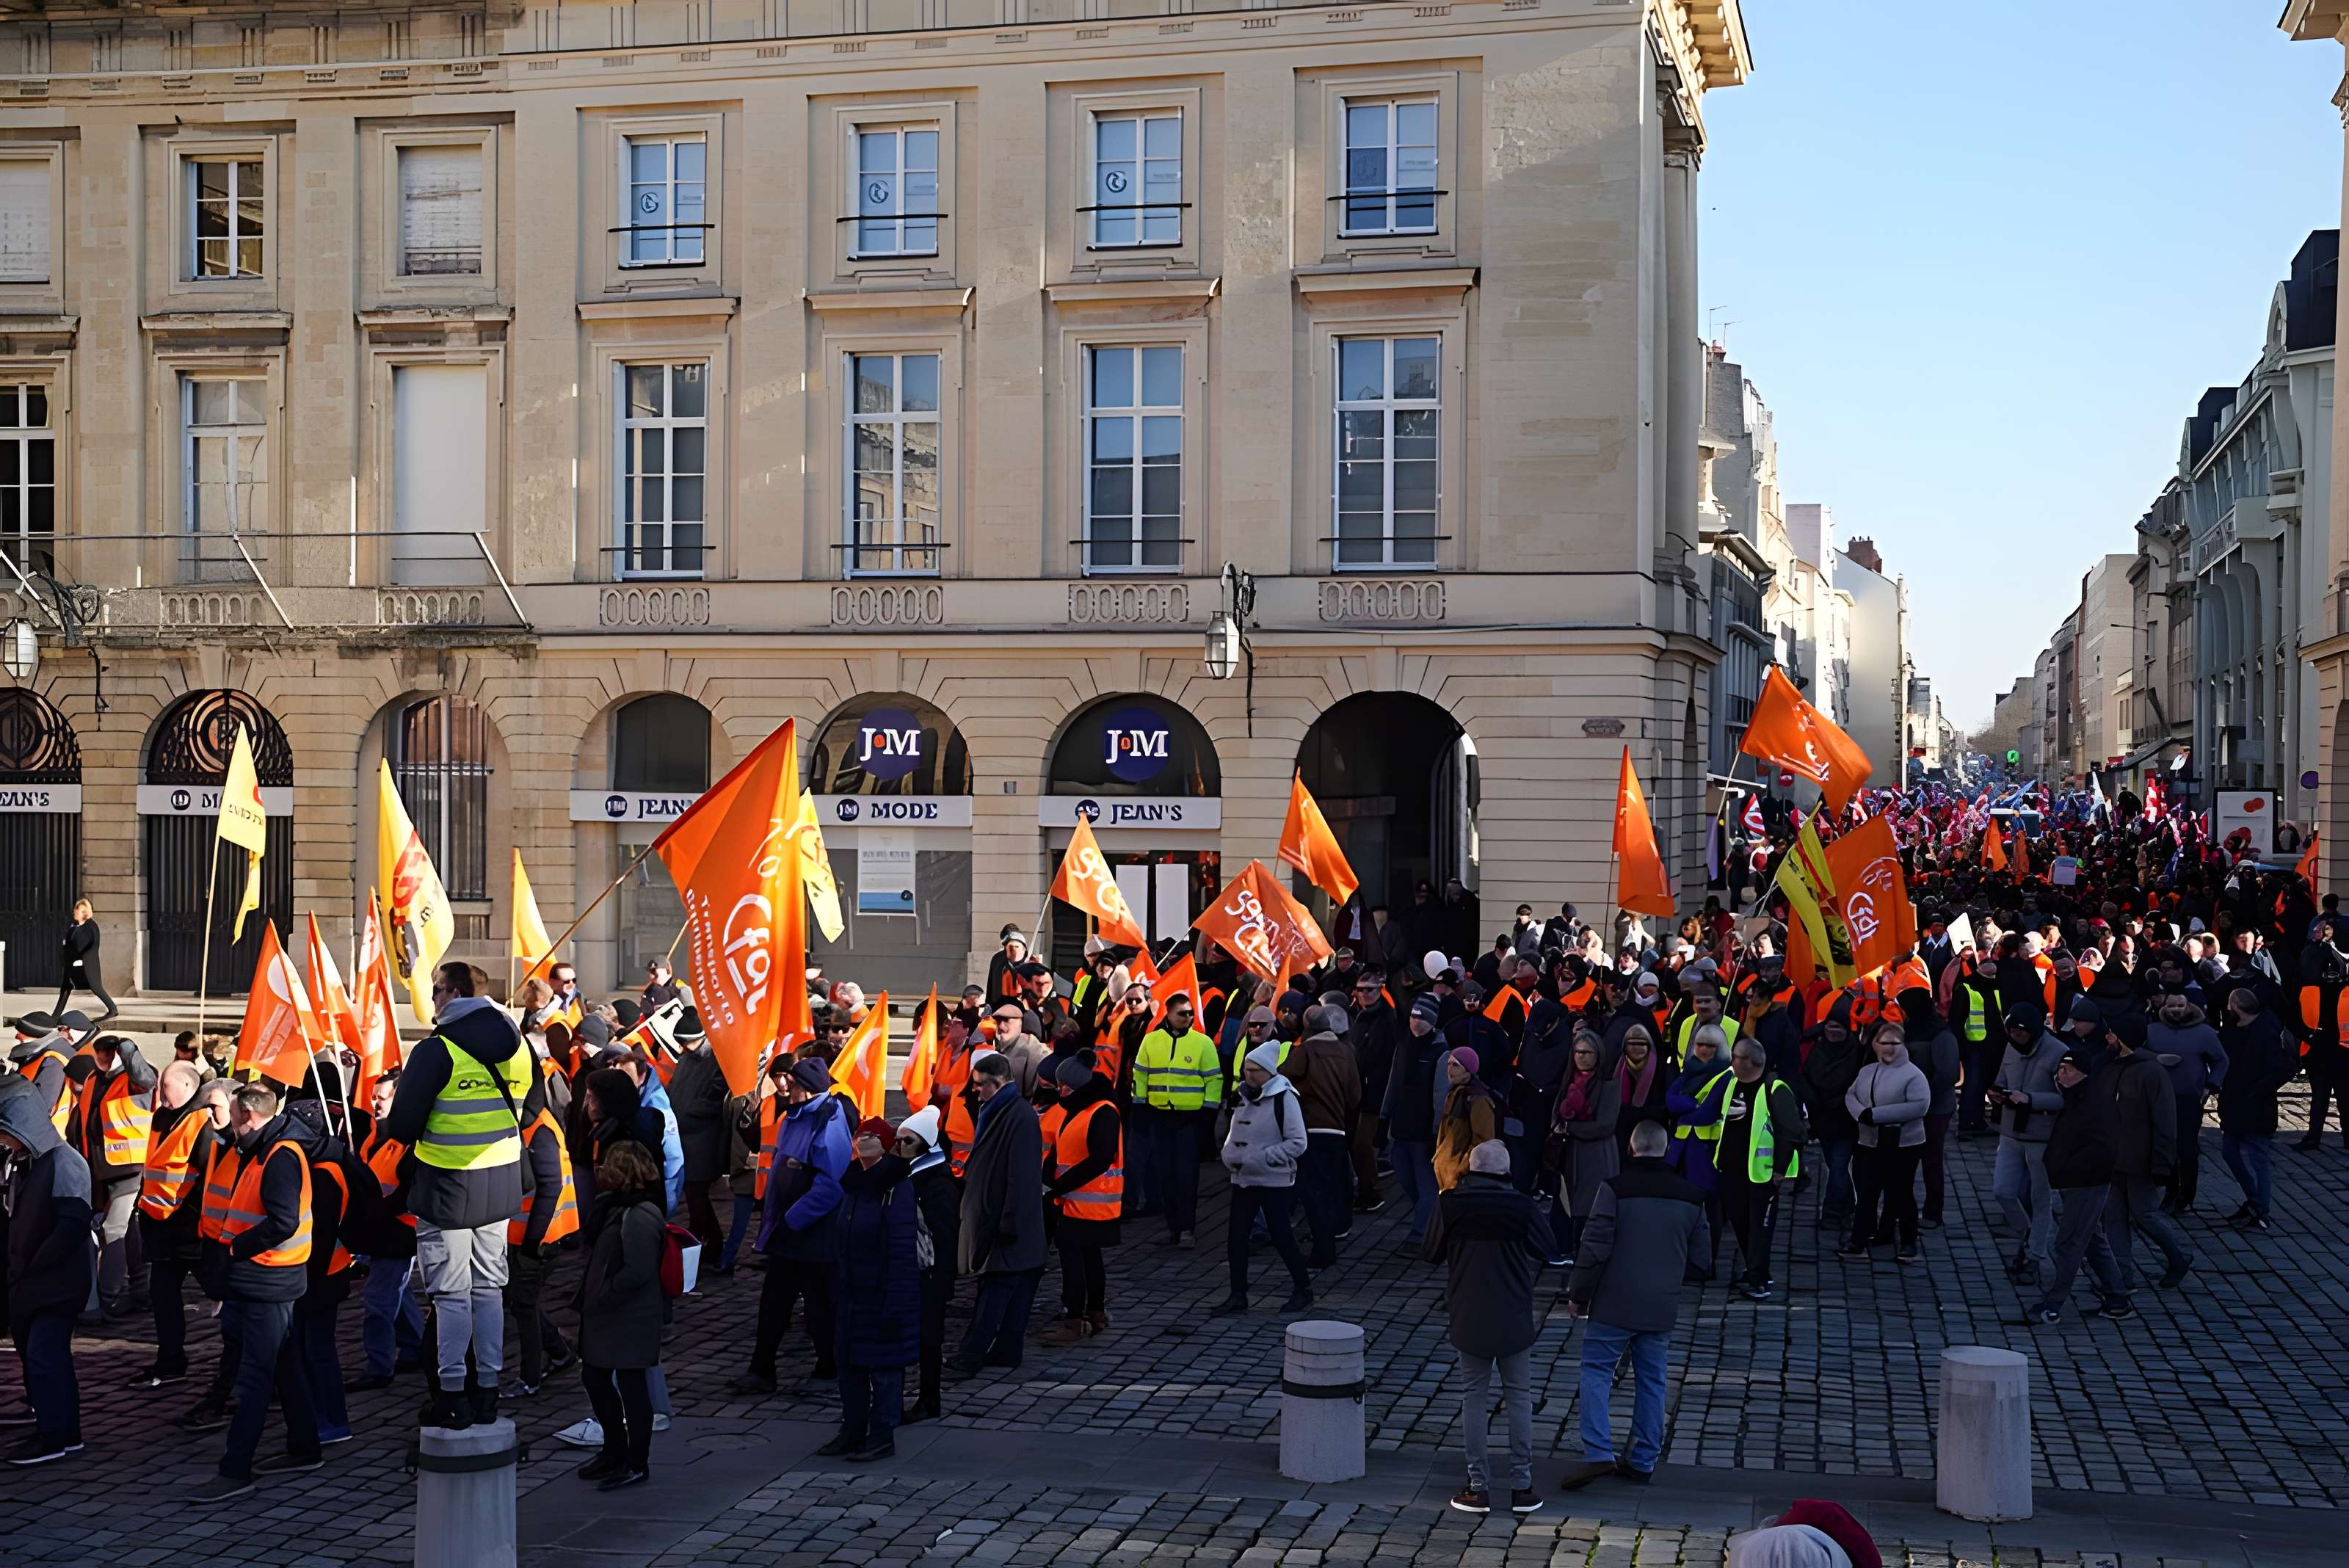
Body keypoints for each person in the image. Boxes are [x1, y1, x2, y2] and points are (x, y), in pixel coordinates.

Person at [380, 960, 545, 1429]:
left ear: (450, 993)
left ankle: (453, 1394)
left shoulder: (437, 1050)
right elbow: (533, 1109)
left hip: (448, 1187)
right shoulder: (517, 1042)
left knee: (451, 1295)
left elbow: (405, 1125)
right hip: (501, 1180)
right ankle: (489, 1390)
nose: (431, 1003)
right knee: (490, 1288)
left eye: (434, 993)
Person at [188, 1081, 322, 1502]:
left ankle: (235, 1470)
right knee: (284, 1365)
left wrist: (236, 1246)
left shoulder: (280, 1156)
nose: (228, 1122)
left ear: (248, 1115)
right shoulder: (265, 1147)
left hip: (268, 1279)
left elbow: (283, 1222)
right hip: (260, 1278)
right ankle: (305, 1448)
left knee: (256, 1376)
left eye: (232, 1114)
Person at [1560, 1120, 1710, 1489]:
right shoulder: (1692, 1196)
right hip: (1660, 1305)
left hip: (1614, 1301)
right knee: (1653, 1380)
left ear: (1631, 1147)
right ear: (1665, 1149)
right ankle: (1643, 1460)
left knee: (1596, 1371)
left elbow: (1594, 1247)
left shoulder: (1614, 1190)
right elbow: (1703, 1261)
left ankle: (1598, 1452)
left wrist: (1578, 1294)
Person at [1423, 1140, 1552, 1515]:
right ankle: (1522, 1486)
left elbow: (1429, 1253)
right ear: (1506, 1172)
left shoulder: (1450, 1204)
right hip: (1513, 1315)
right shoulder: (1522, 1206)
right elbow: (1550, 1249)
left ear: (1470, 1167)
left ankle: (1478, 1487)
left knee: (1474, 1397)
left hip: (1469, 1313)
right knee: (1519, 1397)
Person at [730, 1058, 850, 1395]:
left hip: (811, 1231)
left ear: (808, 1089)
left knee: (819, 1303)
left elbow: (831, 1184)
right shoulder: (792, 1117)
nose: (785, 1087)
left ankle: (829, 1365)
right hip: (789, 1229)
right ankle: (762, 1368)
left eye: (792, 1084)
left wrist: (794, 1219)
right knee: (775, 1302)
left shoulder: (829, 1119)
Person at [0, 1073, 90, 1466]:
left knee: (45, 1356)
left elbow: (70, 1227)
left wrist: (32, 1268)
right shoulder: (25, 1162)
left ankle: (54, 1435)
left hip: (55, 1283)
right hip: (33, 1281)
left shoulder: (64, 1162)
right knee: (43, 1356)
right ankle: (63, 1432)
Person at [822, 1117, 921, 1462]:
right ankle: (852, 1430)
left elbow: (901, 1247)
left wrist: (895, 1301)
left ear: (886, 1145)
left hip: (882, 1293)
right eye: (860, 1134)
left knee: (884, 1369)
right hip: (852, 1293)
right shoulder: (852, 1183)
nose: (864, 1139)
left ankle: (881, 1435)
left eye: (873, 1136)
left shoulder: (896, 1187)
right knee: (849, 1366)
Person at [573, 1138, 666, 1491]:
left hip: (628, 1316)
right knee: (596, 1378)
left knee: (631, 1386)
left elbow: (637, 1272)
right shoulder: (614, 1206)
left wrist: (604, 1295)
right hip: (609, 1314)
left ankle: (635, 1461)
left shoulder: (640, 1215)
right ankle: (614, 1450)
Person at [951, 1052, 1048, 1373]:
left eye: (980, 1085)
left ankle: (972, 1353)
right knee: (1015, 1290)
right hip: (1002, 1218)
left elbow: (1021, 1176)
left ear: (996, 1083)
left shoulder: (1017, 1116)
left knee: (996, 1289)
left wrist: (1009, 1222)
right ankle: (1007, 1350)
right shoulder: (1001, 1110)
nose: (975, 1091)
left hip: (1007, 1221)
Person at [128, 1063, 220, 1390]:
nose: (160, 1093)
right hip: (161, 1227)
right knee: (163, 1296)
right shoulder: (161, 1117)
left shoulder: (202, 1121)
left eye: (166, 1086)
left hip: (192, 1230)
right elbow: (153, 1166)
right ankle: (170, 1362)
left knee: (224, 1295)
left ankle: (251, 1364)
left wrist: (201, 1222)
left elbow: (209, 1180)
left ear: (186, 1085)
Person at [2018, 1045, 2125, 1325]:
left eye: (2068, 1070)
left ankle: (2054, 1303)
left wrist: (2070, 1169)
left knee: (2069, 1242)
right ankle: (2117, 1298)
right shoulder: (2075, 1096)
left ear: (2084, 1074)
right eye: (2060, 1070)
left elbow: (2103, 1148)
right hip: (2073, 1179)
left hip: (2086, 1181)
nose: (2061, 1075)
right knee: (2091, 1239)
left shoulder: (2095, 1103)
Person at [1695, 1039, 1806, 1302]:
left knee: (1760, 1228)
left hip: (1762, 1174)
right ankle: (1756, 1270)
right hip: (1731, 1170)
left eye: (1735, 1057)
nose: (1731, 1061)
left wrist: (1779, 1170)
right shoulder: (1732, 1082)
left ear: (1748, 1062)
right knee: (1742, 1223)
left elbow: (1791, 1133)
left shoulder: (1774, 1089)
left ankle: (1759, 1281)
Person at [1211, 1042, 1313, 1315]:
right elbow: (1234, 1133)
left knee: (1281, 1236)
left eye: (1255, 1070)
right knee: (1237, 1238)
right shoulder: (1242, 1096)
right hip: (1243, 1179)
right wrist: (1230, 1154)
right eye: (1247, 1069)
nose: (1249, 1075)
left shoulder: (1284, 1098)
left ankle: (1303, 1288)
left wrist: (1265, 1157)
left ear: (1269, 1072)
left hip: (1274, 1181)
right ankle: (1238, 1293)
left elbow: (1298, 1142)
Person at [67, 1031, 155, 1318]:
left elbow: (146, 1080)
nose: (103, 1057)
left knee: (113, 1230)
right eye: (99, 1052)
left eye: (109, 1052)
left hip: (129, 1167)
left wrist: (128, 1049)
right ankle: (142, 1291)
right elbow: (81, 1120)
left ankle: (108, 1299)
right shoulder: (93, 1079)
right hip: (98, 1168)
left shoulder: (132, 1080)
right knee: (129, 1230)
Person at [506, 1066, 580, 1398]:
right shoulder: (533, 1124)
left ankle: (530, 1377)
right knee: (522, 1301)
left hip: (538, 1240)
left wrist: (533, 1243)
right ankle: (561, 1352)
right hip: (528, 1237)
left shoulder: (540, 1131)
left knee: (523, 1304)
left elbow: (549, 1189)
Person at [1130, 993, 1222, 1249]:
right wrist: (1140, 1108)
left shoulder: (1202, 1043)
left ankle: (1187, 1229)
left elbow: (1214, 1080)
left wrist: (1207, 1114)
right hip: (1159, 1117)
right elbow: (1140, 1076)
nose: (1188, 1017)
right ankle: (1174, 1229)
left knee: (1186, 1176)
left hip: (1190, 1120)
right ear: (1168, 1014)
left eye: (1191, 1013)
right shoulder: (1151, 1041)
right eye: (1183, 1013)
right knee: (1165, 1176)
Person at [1040, 1054, 1122, 1345]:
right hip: (1077, 1199)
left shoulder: (1103, 1112)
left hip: (1090, 1200)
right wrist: (1050, 1176)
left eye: (1063, 1086)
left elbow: (1100, 1159)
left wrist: (1060, 1186)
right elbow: (1062, 1150)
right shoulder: (1078, 1109)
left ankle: (1075, 1319)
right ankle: (1094, 1312)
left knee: (1075, 1260)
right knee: (1088, 1257)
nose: (1059, 1090)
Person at [349, 1070, 422, 1390]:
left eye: (383, 1097)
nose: (375, 1104)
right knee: (398, 1292)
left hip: (400, 1232)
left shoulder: (412, 1140)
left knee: (379, 1302)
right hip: (380, 1230)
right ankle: (417, 1347)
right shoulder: (377, 1134)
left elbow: (409, 1191)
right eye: (374, 1097)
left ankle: (380, 1367)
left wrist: (378, 1209)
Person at [1989, 1007, 2066, 1293]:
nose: (2015, 1035)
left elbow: (2066, 1099)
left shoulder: (2059, 1052)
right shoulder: (2011, 1047)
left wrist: (2030, 1099)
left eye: (2021, 1031)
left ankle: (2034, 1255)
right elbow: (2003, 1077)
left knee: (2041, 1199)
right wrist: (1997, 1091)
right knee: (2003, 1191)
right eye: (2011, 1030)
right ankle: (2029, 1236)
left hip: (2041, 1138)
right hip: (2010, 1132)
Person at [1838, 1024, 1928, 1264]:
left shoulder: (1913, 1074)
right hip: (1868, 1141)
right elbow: (1851, 1095)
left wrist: (1876, 1115)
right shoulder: (1867, 1071)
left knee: (1901, 1192)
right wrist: (1862, 1114)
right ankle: (1860, 1239)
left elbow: (1920, 1106)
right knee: (1866, 1193)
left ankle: (1908, 1241)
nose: (1889, 1048)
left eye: (1894, 1043)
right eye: (1884, 1043)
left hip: (1904, 1144)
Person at [894, 1108, 958, 1425]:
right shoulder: (915, 1175)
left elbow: (944, 1236)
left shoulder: (937, 1182)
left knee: (930, 1339)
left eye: (907, 1141)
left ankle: (930, 1399)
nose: (900, 1146)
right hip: (917, 1270)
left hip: (930, 1272)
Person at [1287, 1001, 1360, 1269]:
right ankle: (1331, 1237)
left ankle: (1322, 1249)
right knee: (1332, 1189)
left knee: (1312, 1192)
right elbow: (1355, 1097)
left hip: (1311, 1129)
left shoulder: (1306, 1050)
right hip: (1337, 1131)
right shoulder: (1346, 1052)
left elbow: (1285, 1079)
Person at [2218, 984, 2292, 1232]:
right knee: (2229, 1151)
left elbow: (2284, 1068)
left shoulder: (2266, 1031)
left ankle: (2262, 1210)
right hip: (2233, 1101)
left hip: (2256, 1103)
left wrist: (2259, 1090)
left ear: (2237, 1007)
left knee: (2259, 1156)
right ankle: (2254, 1199)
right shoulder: (2230, 1029)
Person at [2148, 991, 2226, 1216]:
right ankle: (2170, 1191)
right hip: (2160, 1098)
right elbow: (2137, 1053)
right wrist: (2155, 1059)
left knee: (2187, 1148)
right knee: (2165, 1145)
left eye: (2180, 1006)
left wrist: (2212, 1086)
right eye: (2171, 1006)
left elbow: (2221, 1060)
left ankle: (2187, 1194)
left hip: (2190, 1098)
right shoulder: (2152, 1031)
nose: (2176, 1010)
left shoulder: (2205, 1033)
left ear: (2188, 1007)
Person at [1545, 1032, 1619, 1263]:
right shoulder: (1569, 1081)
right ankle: (1566, 1245)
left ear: (1598, 1055)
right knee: (1567, 1200)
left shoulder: (1609, 1084)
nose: (1582, 1057)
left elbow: (1605, 1125)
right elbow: (1556, 1115)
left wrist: (1570, 1128)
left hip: (1597, 1153)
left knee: (1592, 1203)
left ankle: (1590, 1250)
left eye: (1587, 1053)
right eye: (1578, 1052)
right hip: (1569, 1153)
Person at [1664, 1025, 1731, 1279]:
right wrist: (1691, 1104)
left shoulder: (1726, 1076)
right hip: (1680, 1151)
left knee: (1708, 1212)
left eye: (1710, 1046)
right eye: (1700, 1044)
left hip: (1706, 1153)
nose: (1703, 1050)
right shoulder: (1688, 1071)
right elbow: (1669, 1101)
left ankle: (1705, 1263)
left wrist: (1686, 1108)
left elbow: (1708, 1113)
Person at [664, 1010, 730, 1252]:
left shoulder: (717, 1059)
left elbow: (718, 1098)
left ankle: (701, 1240)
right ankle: (712, 1242)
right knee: (695, 1194)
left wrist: (690, 1111)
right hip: (683, 1135)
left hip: (703, 1137)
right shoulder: (686, 1058)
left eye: (686, 1042)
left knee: (696, 1192)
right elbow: (676, 1088)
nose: (683, 1047)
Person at [1384, 995, 1448, 1241]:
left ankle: (1422, 1231)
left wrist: (1436, 1131)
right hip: (1400, 1127)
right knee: (1404, 1178)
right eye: (1412, 1016)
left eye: (1420, 1017)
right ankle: (1427, 1217)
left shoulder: (1440, 1051)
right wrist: (1384, 1117)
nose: (1415, 1022)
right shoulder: (1403, 1046)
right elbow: (1393, 1082)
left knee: (1426, 1182)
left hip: (1423, 1131)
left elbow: (1440, 1094)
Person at [1798, 1001, 1864, 1235]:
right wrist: (1814, 1100)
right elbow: (1803, 1077)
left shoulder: (1857, 1053)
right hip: (1821, 1121)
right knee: (1836, 1167)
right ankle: (1848, 1208)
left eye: (1839, 1028)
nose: (1833, 1032)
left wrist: (1836, 1100)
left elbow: (1856, 1085)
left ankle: (1832, 1214)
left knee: (1837, 1167)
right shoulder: (1815, 1048)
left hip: (1846, 1122)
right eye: (1830, 1027)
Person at [1895, 988, 1960, 1229]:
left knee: (1931, 1160)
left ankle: (1933, 1212)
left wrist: (1921, 1100)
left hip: (1936, 1108)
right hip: (1910, 1105)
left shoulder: (1941, 1034)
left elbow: (1948, 1075)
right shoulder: (1908, 1027)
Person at [1431, 1045, 1498, 1191]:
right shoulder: (1456, 1092)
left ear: (1468, 1070)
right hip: (1447, 1176)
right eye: (1448, 1064)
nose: (1450, 1070)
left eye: (1456, 1065)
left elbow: (1483, 1142)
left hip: (1460, 1180)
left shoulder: (1478, 1098)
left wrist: (1462, 1169)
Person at [54, 899, 118, 1022]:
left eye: (76, 910)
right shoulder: (76, 927)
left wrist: (72, 951)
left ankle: (113, 1009)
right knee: (65, 988)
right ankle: (55, 1016)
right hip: (72, 964)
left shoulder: (90, 926)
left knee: (96, 987)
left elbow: (84, 945)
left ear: (84, 911)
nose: (74, 912)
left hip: (87, 965)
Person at [1611, 1025, 1668, 1155]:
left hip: (1651, 1140)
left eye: (1642, 1044)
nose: (1637, 1048)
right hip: (1622, 1138)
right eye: (1632, 1044)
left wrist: (1632, 1112)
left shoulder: (1662, 1068)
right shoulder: (1616, 1068)